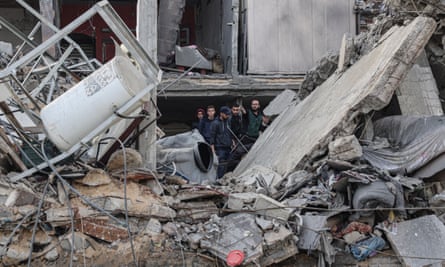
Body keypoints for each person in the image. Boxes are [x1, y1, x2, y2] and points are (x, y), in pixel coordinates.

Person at [209, 106, 232, 178]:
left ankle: (225, 180)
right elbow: (212, 136)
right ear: (221, 114)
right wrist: (213, 149)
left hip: (228, 146)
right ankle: (218, 179)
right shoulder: (215, 123)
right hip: (220, 148)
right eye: (226, 114)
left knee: (228, 164)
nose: (227, 115)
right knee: (221, 165)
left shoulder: (228, 121)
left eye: (228, 114)